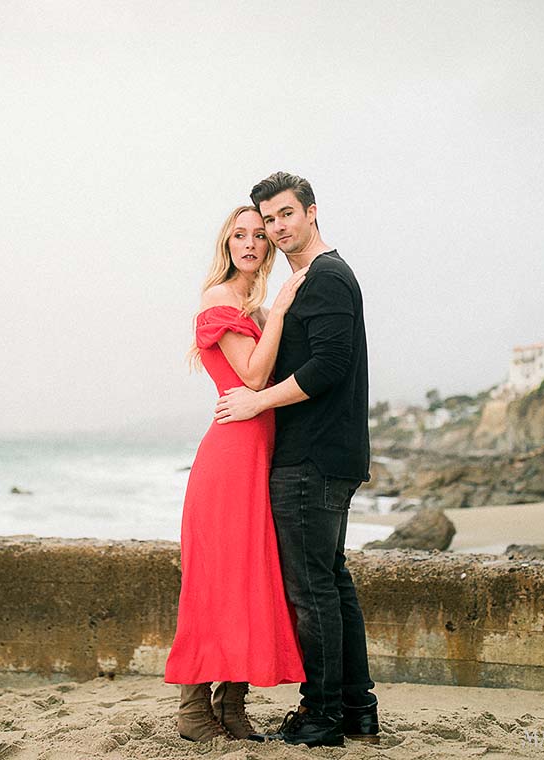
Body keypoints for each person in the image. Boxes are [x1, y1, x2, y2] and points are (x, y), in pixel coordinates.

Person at [214, 172, 379, 748]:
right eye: (269, 219)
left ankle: (323, 715)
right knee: (332, 582)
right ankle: (356, 710)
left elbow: (329, 366)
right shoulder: (312, 280)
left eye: (286, 215)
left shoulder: (327, 277)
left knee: (312, 590)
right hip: (327, 454)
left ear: (311, 212)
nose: (277, 228)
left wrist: (257, 399)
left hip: (311, 457)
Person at [164, 205, 309, 742]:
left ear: (270, 246)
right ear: (225, 244)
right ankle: (194, 712)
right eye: (238, 235)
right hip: (229, 458)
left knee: (247, 579)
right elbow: (251, 375)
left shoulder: (251, 303)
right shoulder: (221, 298)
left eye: (258, 235)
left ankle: (232, 708)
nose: (249, 243)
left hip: (256, 456)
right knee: (216, 581)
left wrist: (272, 311)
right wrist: (281, 309)